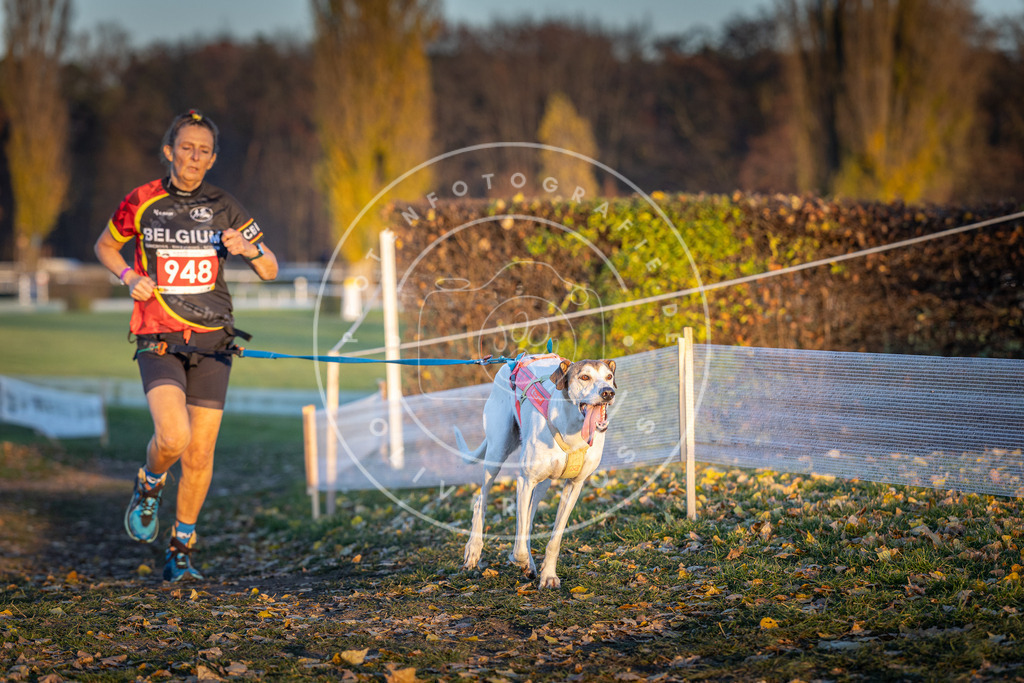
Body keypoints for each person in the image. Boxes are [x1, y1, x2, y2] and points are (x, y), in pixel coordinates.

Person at [94, 109, 278, 582]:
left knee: (199, 454)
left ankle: (181, 548)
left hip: (214, 341)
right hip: (159, 337)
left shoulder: (225, 205)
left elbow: (270, 268)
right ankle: (150, 482)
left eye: (203, 151)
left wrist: (249, 249)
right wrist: (128, 275)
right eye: (186, 148)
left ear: (212, 159)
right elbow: (105, 246)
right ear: (169, 151)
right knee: (174, 437)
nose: (194, 157)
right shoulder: (141, 200)